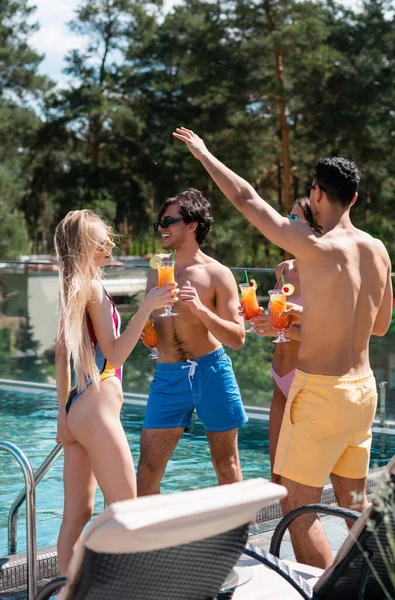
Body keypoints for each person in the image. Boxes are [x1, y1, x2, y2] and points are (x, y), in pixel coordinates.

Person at [173, 127, 393, 568]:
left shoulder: (314, 245)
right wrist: (301, 321)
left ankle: (327, 591)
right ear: (353, 198)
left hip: (322, 395)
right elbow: (380, 326)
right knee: (352, 506)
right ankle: (370, 584)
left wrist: (204, 155)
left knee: (297, 507)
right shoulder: (378, 250)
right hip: (363, 392)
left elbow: (247, 200)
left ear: (317, 194)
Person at [55, 209, 177, 572]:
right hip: (97, 411)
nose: (109, 241)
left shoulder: (75, 287)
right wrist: (147, 307)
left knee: (77, 515)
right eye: (100, 238)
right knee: (126, 511)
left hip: (78, 408)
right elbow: (116, 353)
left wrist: (63, 416)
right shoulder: (91, 288)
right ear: (84, 248)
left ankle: (66, 593)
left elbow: (62, 353)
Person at [137, 188, 247, 496]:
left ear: (191, 225)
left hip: (211, 371)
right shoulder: (156, 271)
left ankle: (235, 540)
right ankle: (151, 543)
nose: (161, 228)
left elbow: (237, 338)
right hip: (168, 376)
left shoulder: (217, 274)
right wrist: (150, 334)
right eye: (159, 222)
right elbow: (152, 324)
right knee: (147, 470)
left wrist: (200, 310)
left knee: (226, 465)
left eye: (169, 221)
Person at [244, 197, 322, 483]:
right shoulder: (284, 269)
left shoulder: (323, 273)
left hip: (307, 380)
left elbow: (324, 332)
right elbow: (282, 318)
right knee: (276, 473)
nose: (287, 224)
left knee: (302, 477)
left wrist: (282, 329)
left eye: (295, 219)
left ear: (315, 227)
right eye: (287, 217)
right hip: (279, 375)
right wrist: (262, 316)